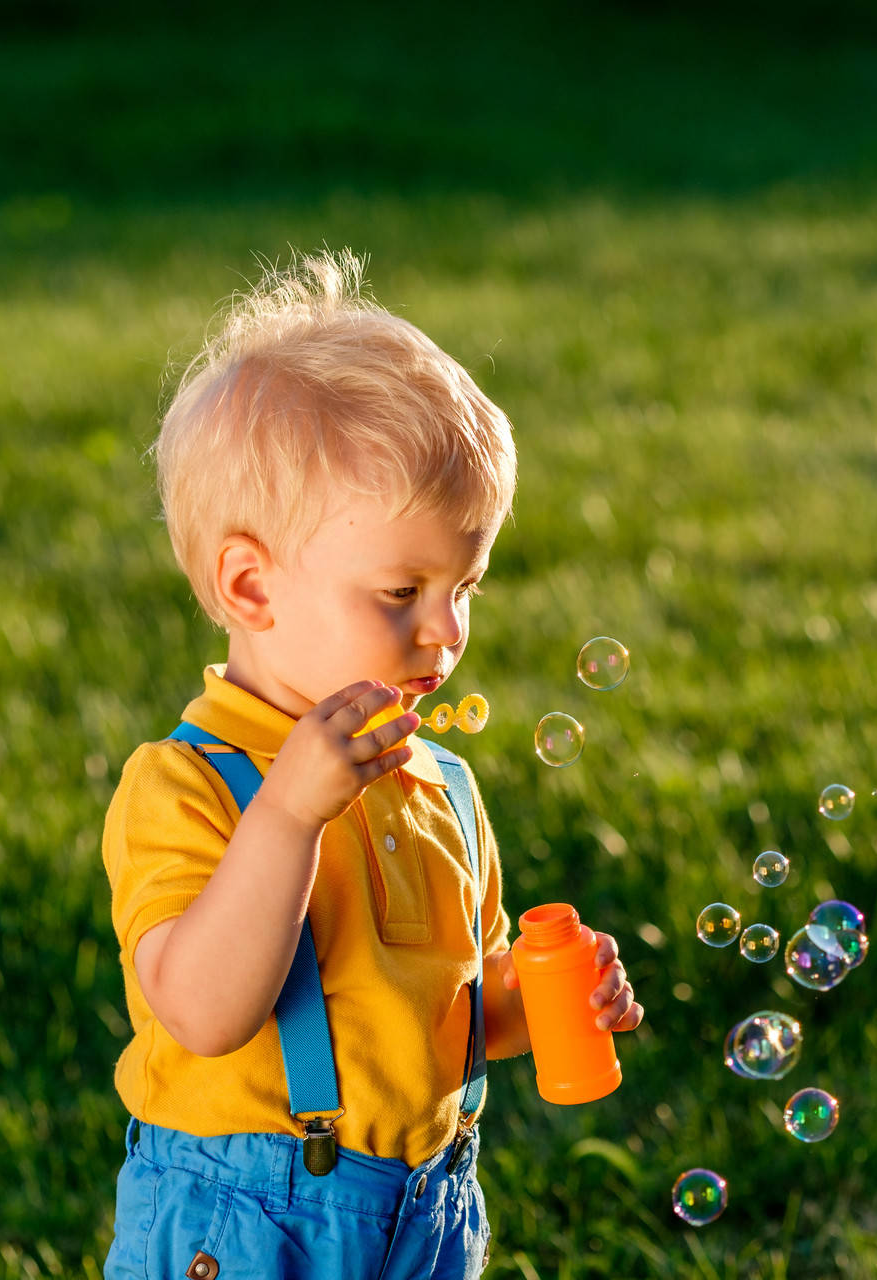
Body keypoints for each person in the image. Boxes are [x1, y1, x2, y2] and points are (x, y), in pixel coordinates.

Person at [99, 249, 644, 1279]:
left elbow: (444, 1026)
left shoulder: (440, 785)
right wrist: (290, 814)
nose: (443, 631)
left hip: (425, 1210)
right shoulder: (186, 786)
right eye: (401, 591)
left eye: (465, 584)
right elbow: (207, 1010)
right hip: (253, 1220)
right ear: (250, 586)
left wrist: (540, 997)